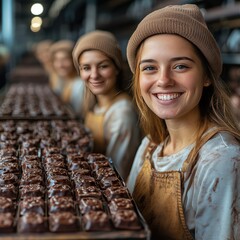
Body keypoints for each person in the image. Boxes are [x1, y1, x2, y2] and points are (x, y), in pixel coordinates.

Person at [126, 4, 240, 240]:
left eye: (180, 66)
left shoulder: (221, 160)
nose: (164, 80)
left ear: (207, 76)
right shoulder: (151, 145)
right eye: (149, 68)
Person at [72, 30, 141, 181]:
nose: (94, 75)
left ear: (116, 68)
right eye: (86, 68)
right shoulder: (95, 105)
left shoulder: (122, 113)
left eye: (103, 66)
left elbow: (117, 173)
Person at [50, 40, 85, 116]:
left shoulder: (79, 85)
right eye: (56, 60)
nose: (60, 65)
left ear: (74, 61)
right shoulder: (61, 79)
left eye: (65, 59)